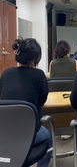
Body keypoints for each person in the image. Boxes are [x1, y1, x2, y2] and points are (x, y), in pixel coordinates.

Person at [0, 37, 52, 167]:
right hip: (28, 132)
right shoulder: (39, 75)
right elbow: (42, 101)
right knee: (48, 137)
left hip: (3, 133)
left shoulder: (6, 73)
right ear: (35, 59)